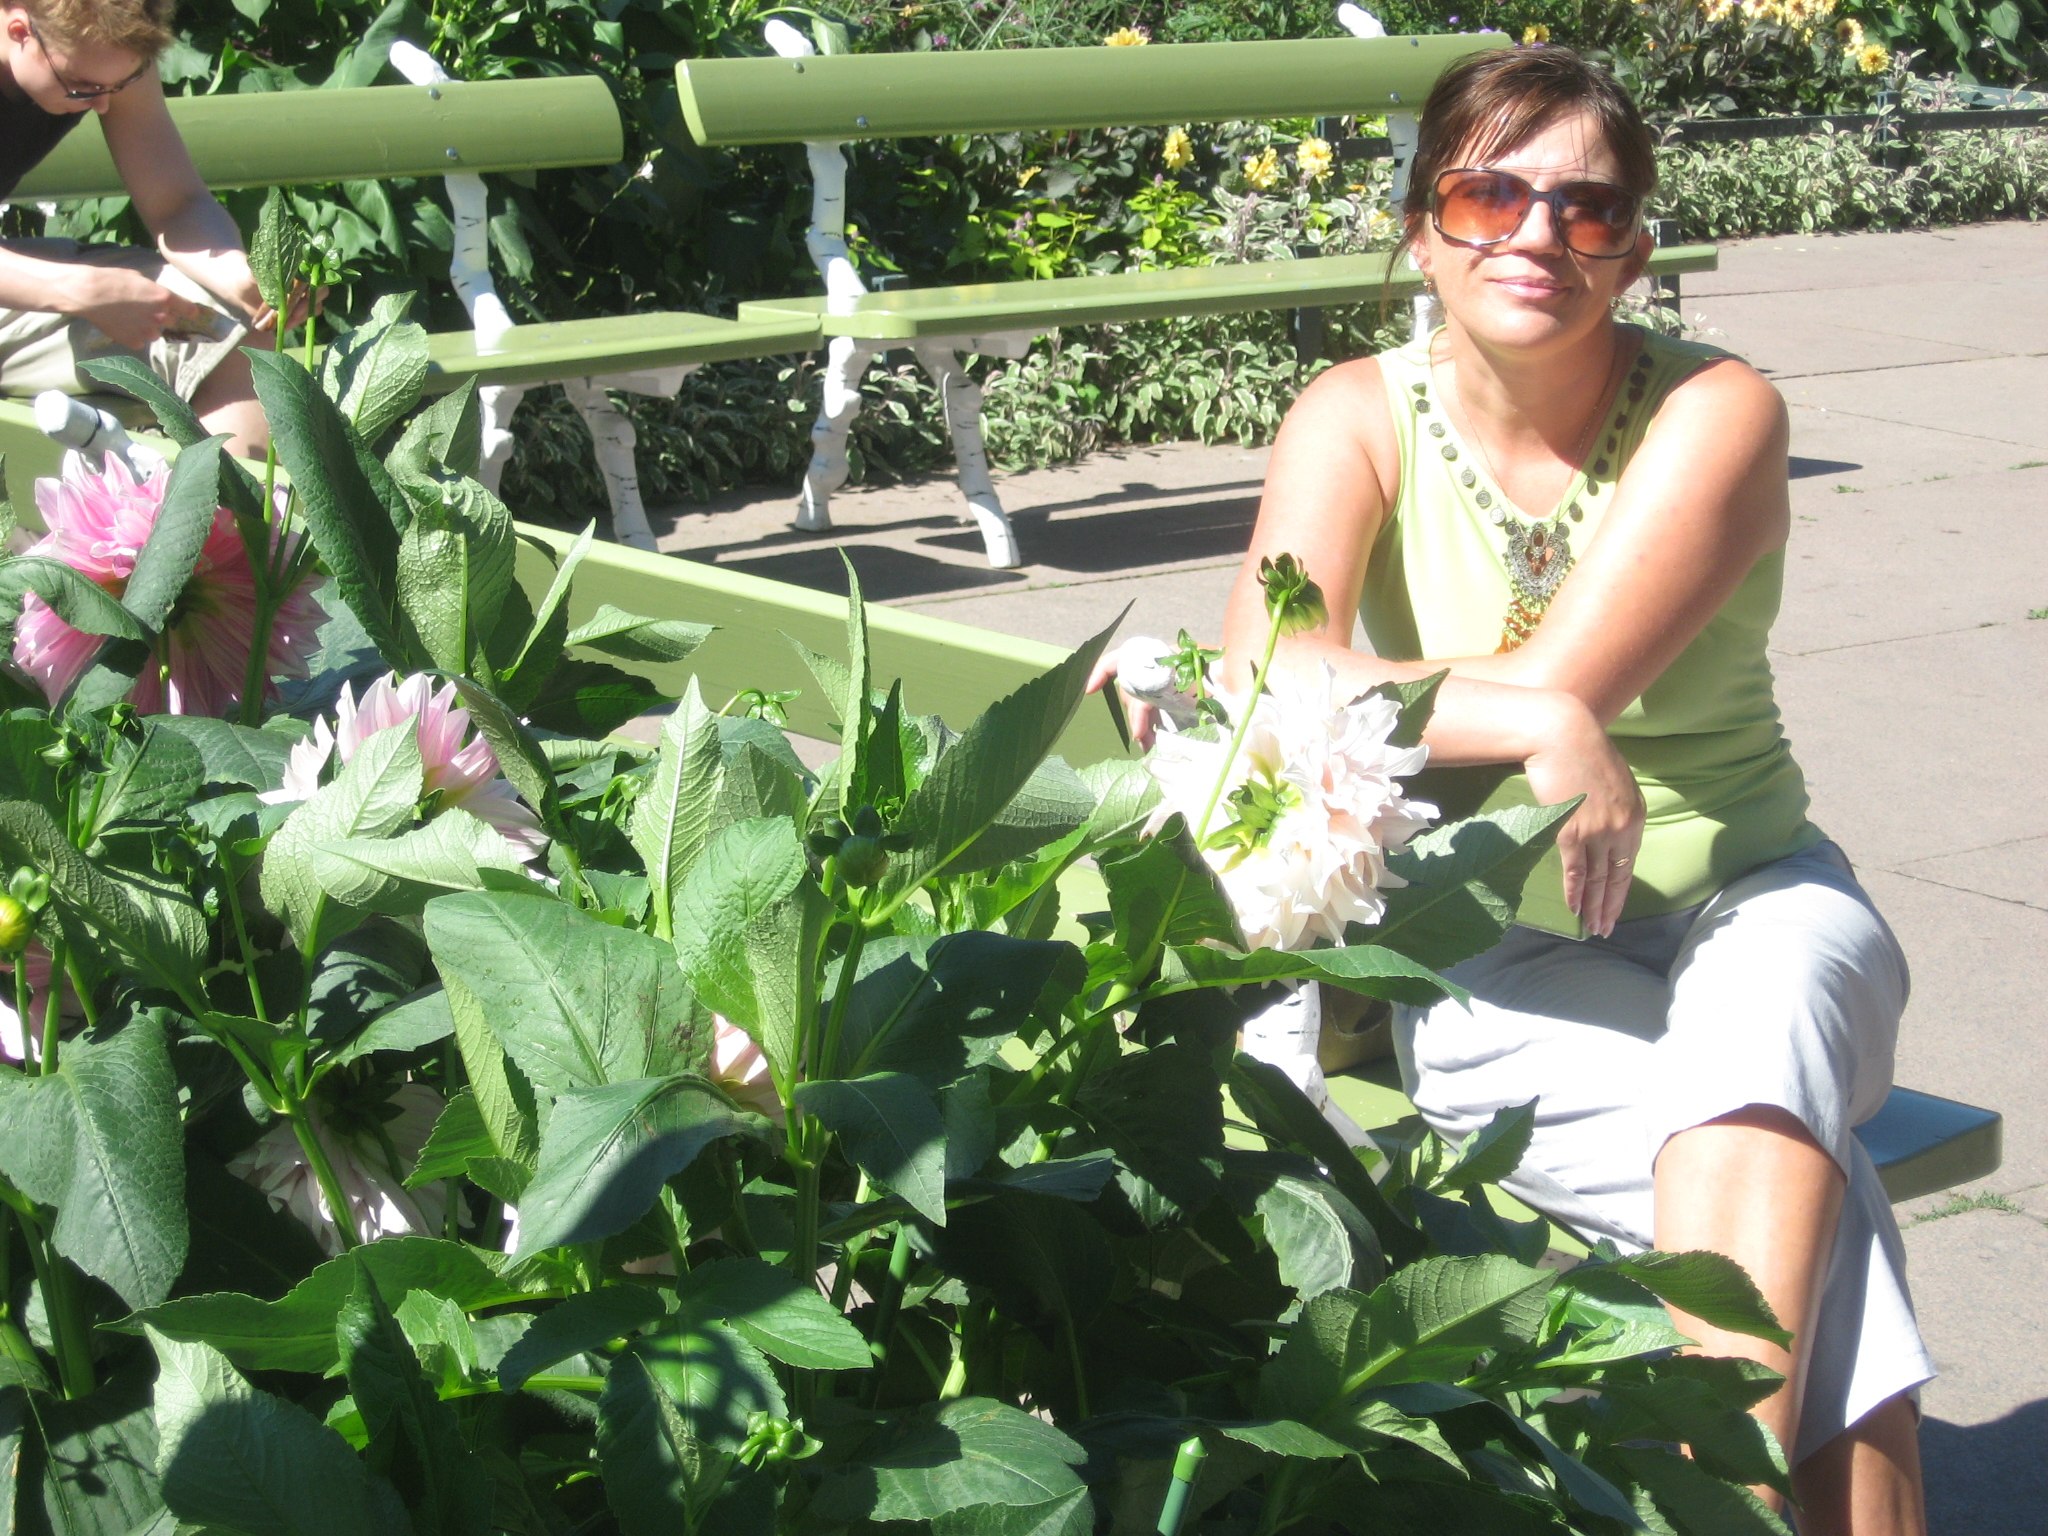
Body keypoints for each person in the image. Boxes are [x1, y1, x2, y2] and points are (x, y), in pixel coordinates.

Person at [1101, 44, 1928, 1535]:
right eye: (1490, 196)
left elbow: (1541, 675)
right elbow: (1274, 670)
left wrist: (1519, 704)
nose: (1538, 234)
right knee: (1818, 1211)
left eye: (1587, 209)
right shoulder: (1353, 415)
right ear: (1422, 228)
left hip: (1754, 898)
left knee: (1764, 1050)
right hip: (1496, 942)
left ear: (1635, 251)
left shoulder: (1717, 409)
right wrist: (1521, 715)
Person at [0, 0, 308, 456]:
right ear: (19, 31)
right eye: (83, 88)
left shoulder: (104, 52)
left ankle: (230, 502)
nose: (103, 103)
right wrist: (81, 289)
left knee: (228, 326)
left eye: (120, 84)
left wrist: (241, 278)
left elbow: (175, 202)